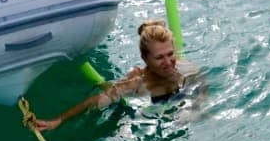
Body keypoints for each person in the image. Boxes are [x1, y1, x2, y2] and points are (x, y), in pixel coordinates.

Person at [33, 20, 203, 132]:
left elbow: (201, 91)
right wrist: (58, 120)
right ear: (145, 58)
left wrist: (193, 110)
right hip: (143, 115)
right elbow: (94, 101)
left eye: (170, 54)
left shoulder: (188, 69)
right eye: (159, 57)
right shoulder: (137, 83)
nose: (167, 62)